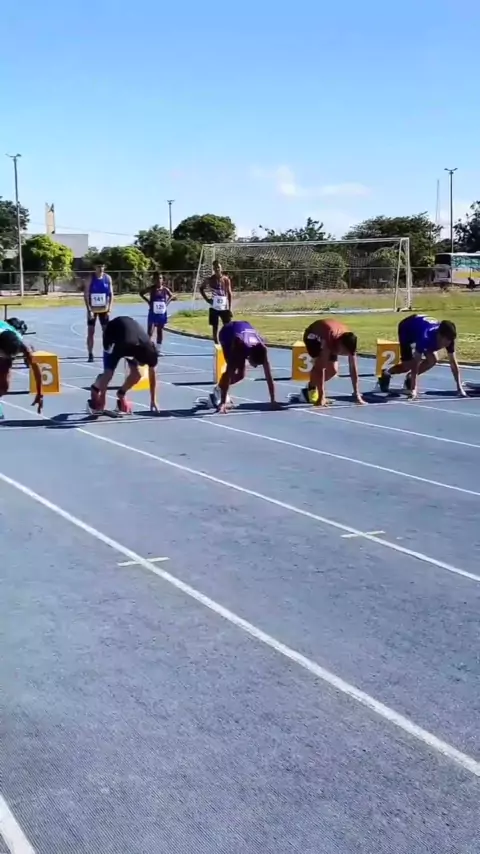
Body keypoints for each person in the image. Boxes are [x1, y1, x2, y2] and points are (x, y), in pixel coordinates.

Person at [377, 314, 466, 400]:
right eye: (446, 341)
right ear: (439, 336)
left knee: (433, 360)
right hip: (407, 329)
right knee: (408, 365)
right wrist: (414, 389)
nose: (448, 344)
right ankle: (387, 373)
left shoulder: (449, 340)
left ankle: (410, 378)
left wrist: (459, 388)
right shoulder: (425, 337)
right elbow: (416, 362)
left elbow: (453, 364)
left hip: (421, 327)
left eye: (450, 341)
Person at [87, 316, 159, 415]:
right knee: (108, 373)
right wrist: (102, 398)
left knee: (137, 375)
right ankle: (95, 388)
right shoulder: (123, 346)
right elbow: (108, 375)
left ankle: (121, 393)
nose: (142, 365)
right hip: (112, 336)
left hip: (131, 340)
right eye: (141, 363)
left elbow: (152, 376)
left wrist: (153, 400)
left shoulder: (151, 354)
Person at [212, 320, 280, 414]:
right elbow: (229, 372)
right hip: (227, 334)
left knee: (241, 376)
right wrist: (223, 403)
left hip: (243, 328)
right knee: (232, 368)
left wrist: (273, 400)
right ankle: (219, 390)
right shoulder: (238, 346)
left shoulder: (262, 349)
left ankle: (220, 387)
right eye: (255, 364)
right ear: (250, 356)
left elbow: (269, 376)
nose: (255, 367)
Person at [302, 319, 365, 406]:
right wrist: (321, 397)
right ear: (340, 344)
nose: (342, 354)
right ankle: (311, 389)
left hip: (331, 336)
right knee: (319, 364)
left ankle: (310, 386)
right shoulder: (329, 342)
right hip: (312, 337)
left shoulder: (351, 346)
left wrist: (357, 393)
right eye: (342, 352)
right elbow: (320, 369)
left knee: (333, 371)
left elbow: (353, 369)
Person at [0, 319, 43, 416]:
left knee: (4, 387)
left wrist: (40, 393)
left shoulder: (23, 345)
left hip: (6, 341)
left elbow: (36, 369)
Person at [84, 264, 114, 362]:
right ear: (95, 268)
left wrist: (109, 308)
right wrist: (89, 310)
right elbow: (86, 294)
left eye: (102, 267)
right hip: (93, 309)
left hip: (104, 309)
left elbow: (111, 294)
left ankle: (106, 351)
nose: (100, 269)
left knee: (106, 332)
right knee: (91, 332)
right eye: (98, 267)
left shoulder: (107, 278)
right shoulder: (90, 278)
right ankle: (90, 353)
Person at [140, 272, 174, 353]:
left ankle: (158, 349)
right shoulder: (152, 288)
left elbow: (171, 296)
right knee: (150, 332)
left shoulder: (165, 289)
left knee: (160, 331)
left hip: (162, 313)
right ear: (154, 280)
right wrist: (148, 302)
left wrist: (166, 304)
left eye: (160, 278)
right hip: (153, 312)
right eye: (157, 278)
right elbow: (141, 293)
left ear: (162, 280)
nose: (159, 280)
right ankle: (147, 349)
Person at [199, 260, 232, 343]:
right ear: (213, 269)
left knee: (228, 326)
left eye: (218, 267)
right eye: (215, 268)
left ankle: (227, 344)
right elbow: (201, 288)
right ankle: (216, 344)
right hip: (214, 306)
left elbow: (229, 294)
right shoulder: (210, 279)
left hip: (224, 307)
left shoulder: (226, 279)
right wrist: (207, 299)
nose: (217, 269)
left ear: (221, 268)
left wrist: (229, 308)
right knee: (215, 327)